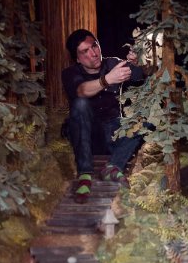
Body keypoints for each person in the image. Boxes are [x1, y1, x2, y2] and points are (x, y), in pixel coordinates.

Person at [61, 29, 145, 203]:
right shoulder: (70, 73)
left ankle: (113, 166)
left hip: (113, 132)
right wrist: (107, 80)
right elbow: (82, 91)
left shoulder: (113, 63)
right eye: (85, 51)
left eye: (94, 46)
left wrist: (137, 64)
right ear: (77, 58)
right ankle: (85, 174)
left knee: (146, 118)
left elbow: (139, 75)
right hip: (87, 136)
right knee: (81, 103)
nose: (93, 53)